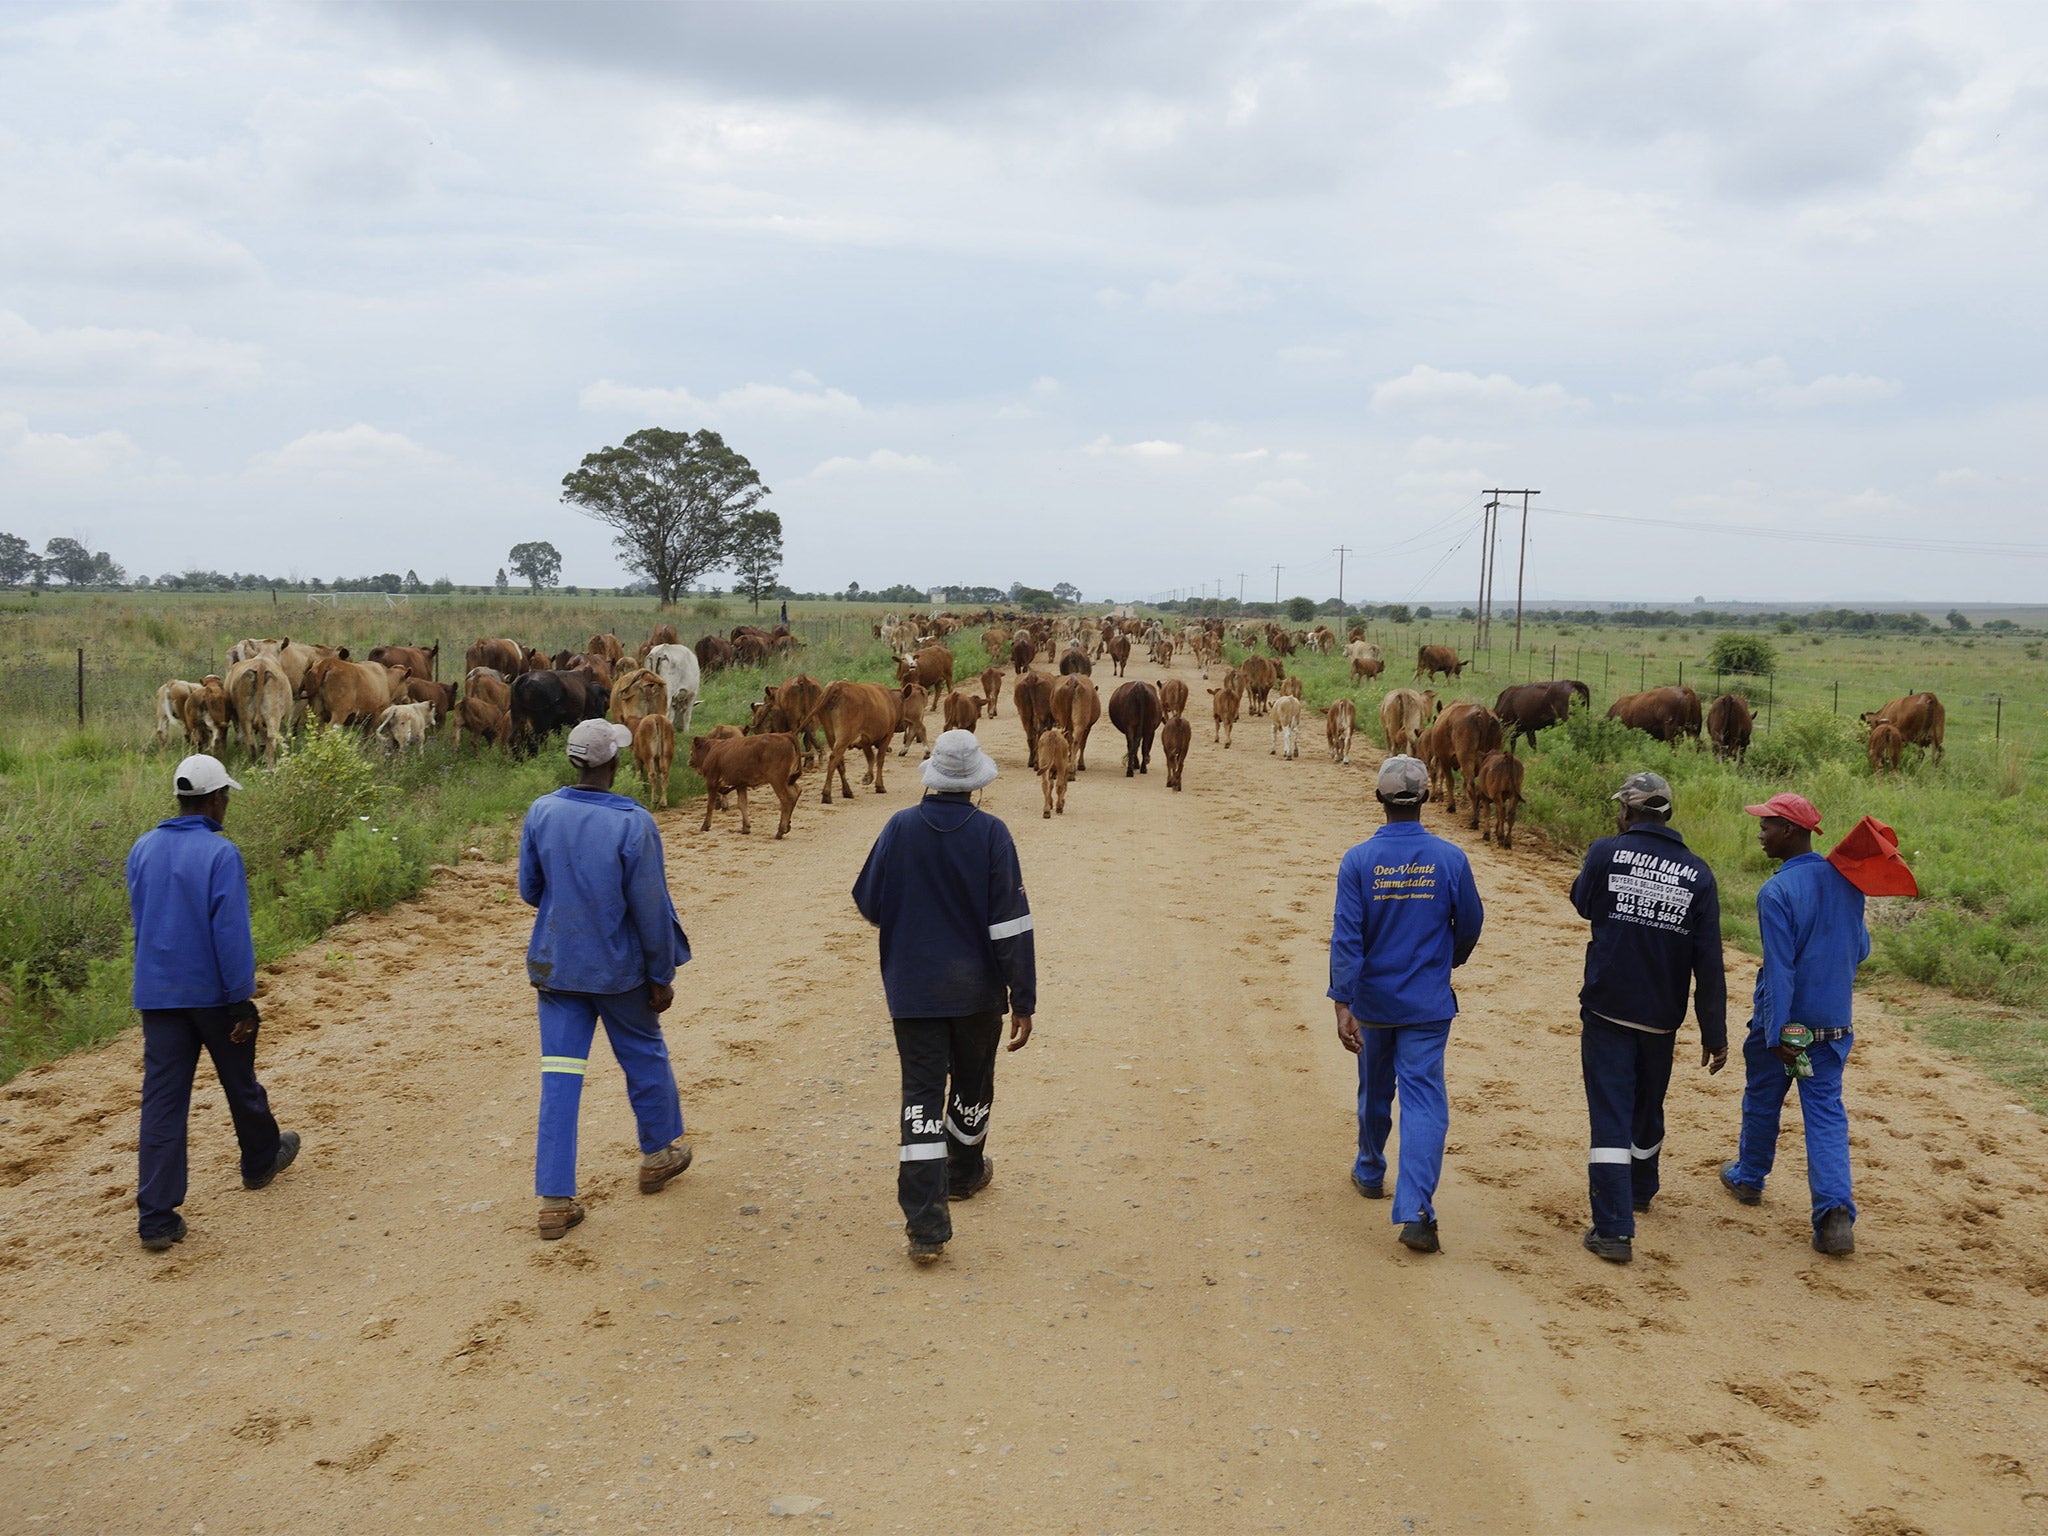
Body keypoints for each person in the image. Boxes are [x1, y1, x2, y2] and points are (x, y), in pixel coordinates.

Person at [852, 729, 1035, 1265]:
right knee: (974, 1084)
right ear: (976, 784)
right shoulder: (993, 835)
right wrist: (1022, 997)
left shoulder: (899, 827)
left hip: (913, 994)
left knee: (921, 1100)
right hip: (978, 993)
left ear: (932, 777)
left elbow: (869, 902)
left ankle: (926, 1226)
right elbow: (1010, 925)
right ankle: (964, 1171)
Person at [518, 719, 693, 1240]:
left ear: (575, 761)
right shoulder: (633, 823)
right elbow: (650, 910)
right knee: (643, 1054)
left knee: (560, 1076)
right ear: (615, 762)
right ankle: (658, 1154)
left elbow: (531, 890)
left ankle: (554, 1199)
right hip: (619, 972)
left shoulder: (542, 811)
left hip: (557, 967)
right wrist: (660, 975)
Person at [126, 754, 298, 1251]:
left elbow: (143, 919)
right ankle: (260, 1159)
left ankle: (157, 1218)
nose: (226, 805)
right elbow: (230, 935)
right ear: (216, 798)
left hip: (157, 995)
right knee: (239, 1081)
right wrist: (241, 998)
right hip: (212, 995)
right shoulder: (221, 854)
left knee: (162, 1102)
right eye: (226, 797)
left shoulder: (142, 848)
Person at [1568, 771, 1727, 1264]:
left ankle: (1614, 1229)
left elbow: (1581, 902)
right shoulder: (1699, 873)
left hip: (1607, 1006)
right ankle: (1641, 1186)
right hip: (1662, 1015)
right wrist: (1714, 1030)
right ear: (1668, 815)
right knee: (1647, 1102)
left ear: (1628, 813)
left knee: (1610, 1114)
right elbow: (1709, 958)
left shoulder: (1604, 852)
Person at [1327, 755, 1484, 1254]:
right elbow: (1472, 924)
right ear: (1426, 799)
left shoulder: (1358, 861)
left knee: (1375, 1087)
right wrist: (1447, 961)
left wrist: (1342, 1002)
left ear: (1379, 799)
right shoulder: (1451, 859)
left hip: (1374, 1003)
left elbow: (1347, 939)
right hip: (1427, 1004)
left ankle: (1371, 1170)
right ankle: (1418, 1211)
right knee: (1423, 1099)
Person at [1721, 792, 1870, 1256]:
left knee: (1764, 1098)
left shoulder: (1776, 892)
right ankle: (1835, 1216)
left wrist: (1780, 1032)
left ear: (1789, 830)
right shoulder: (1848, 881)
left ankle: (1749, 1177)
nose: (1760, 833)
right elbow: (1861, 949)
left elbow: (1780, 969)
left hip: (1788, 1027)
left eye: (1766, 825)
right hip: (1833, 1027)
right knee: (1825, 1115)